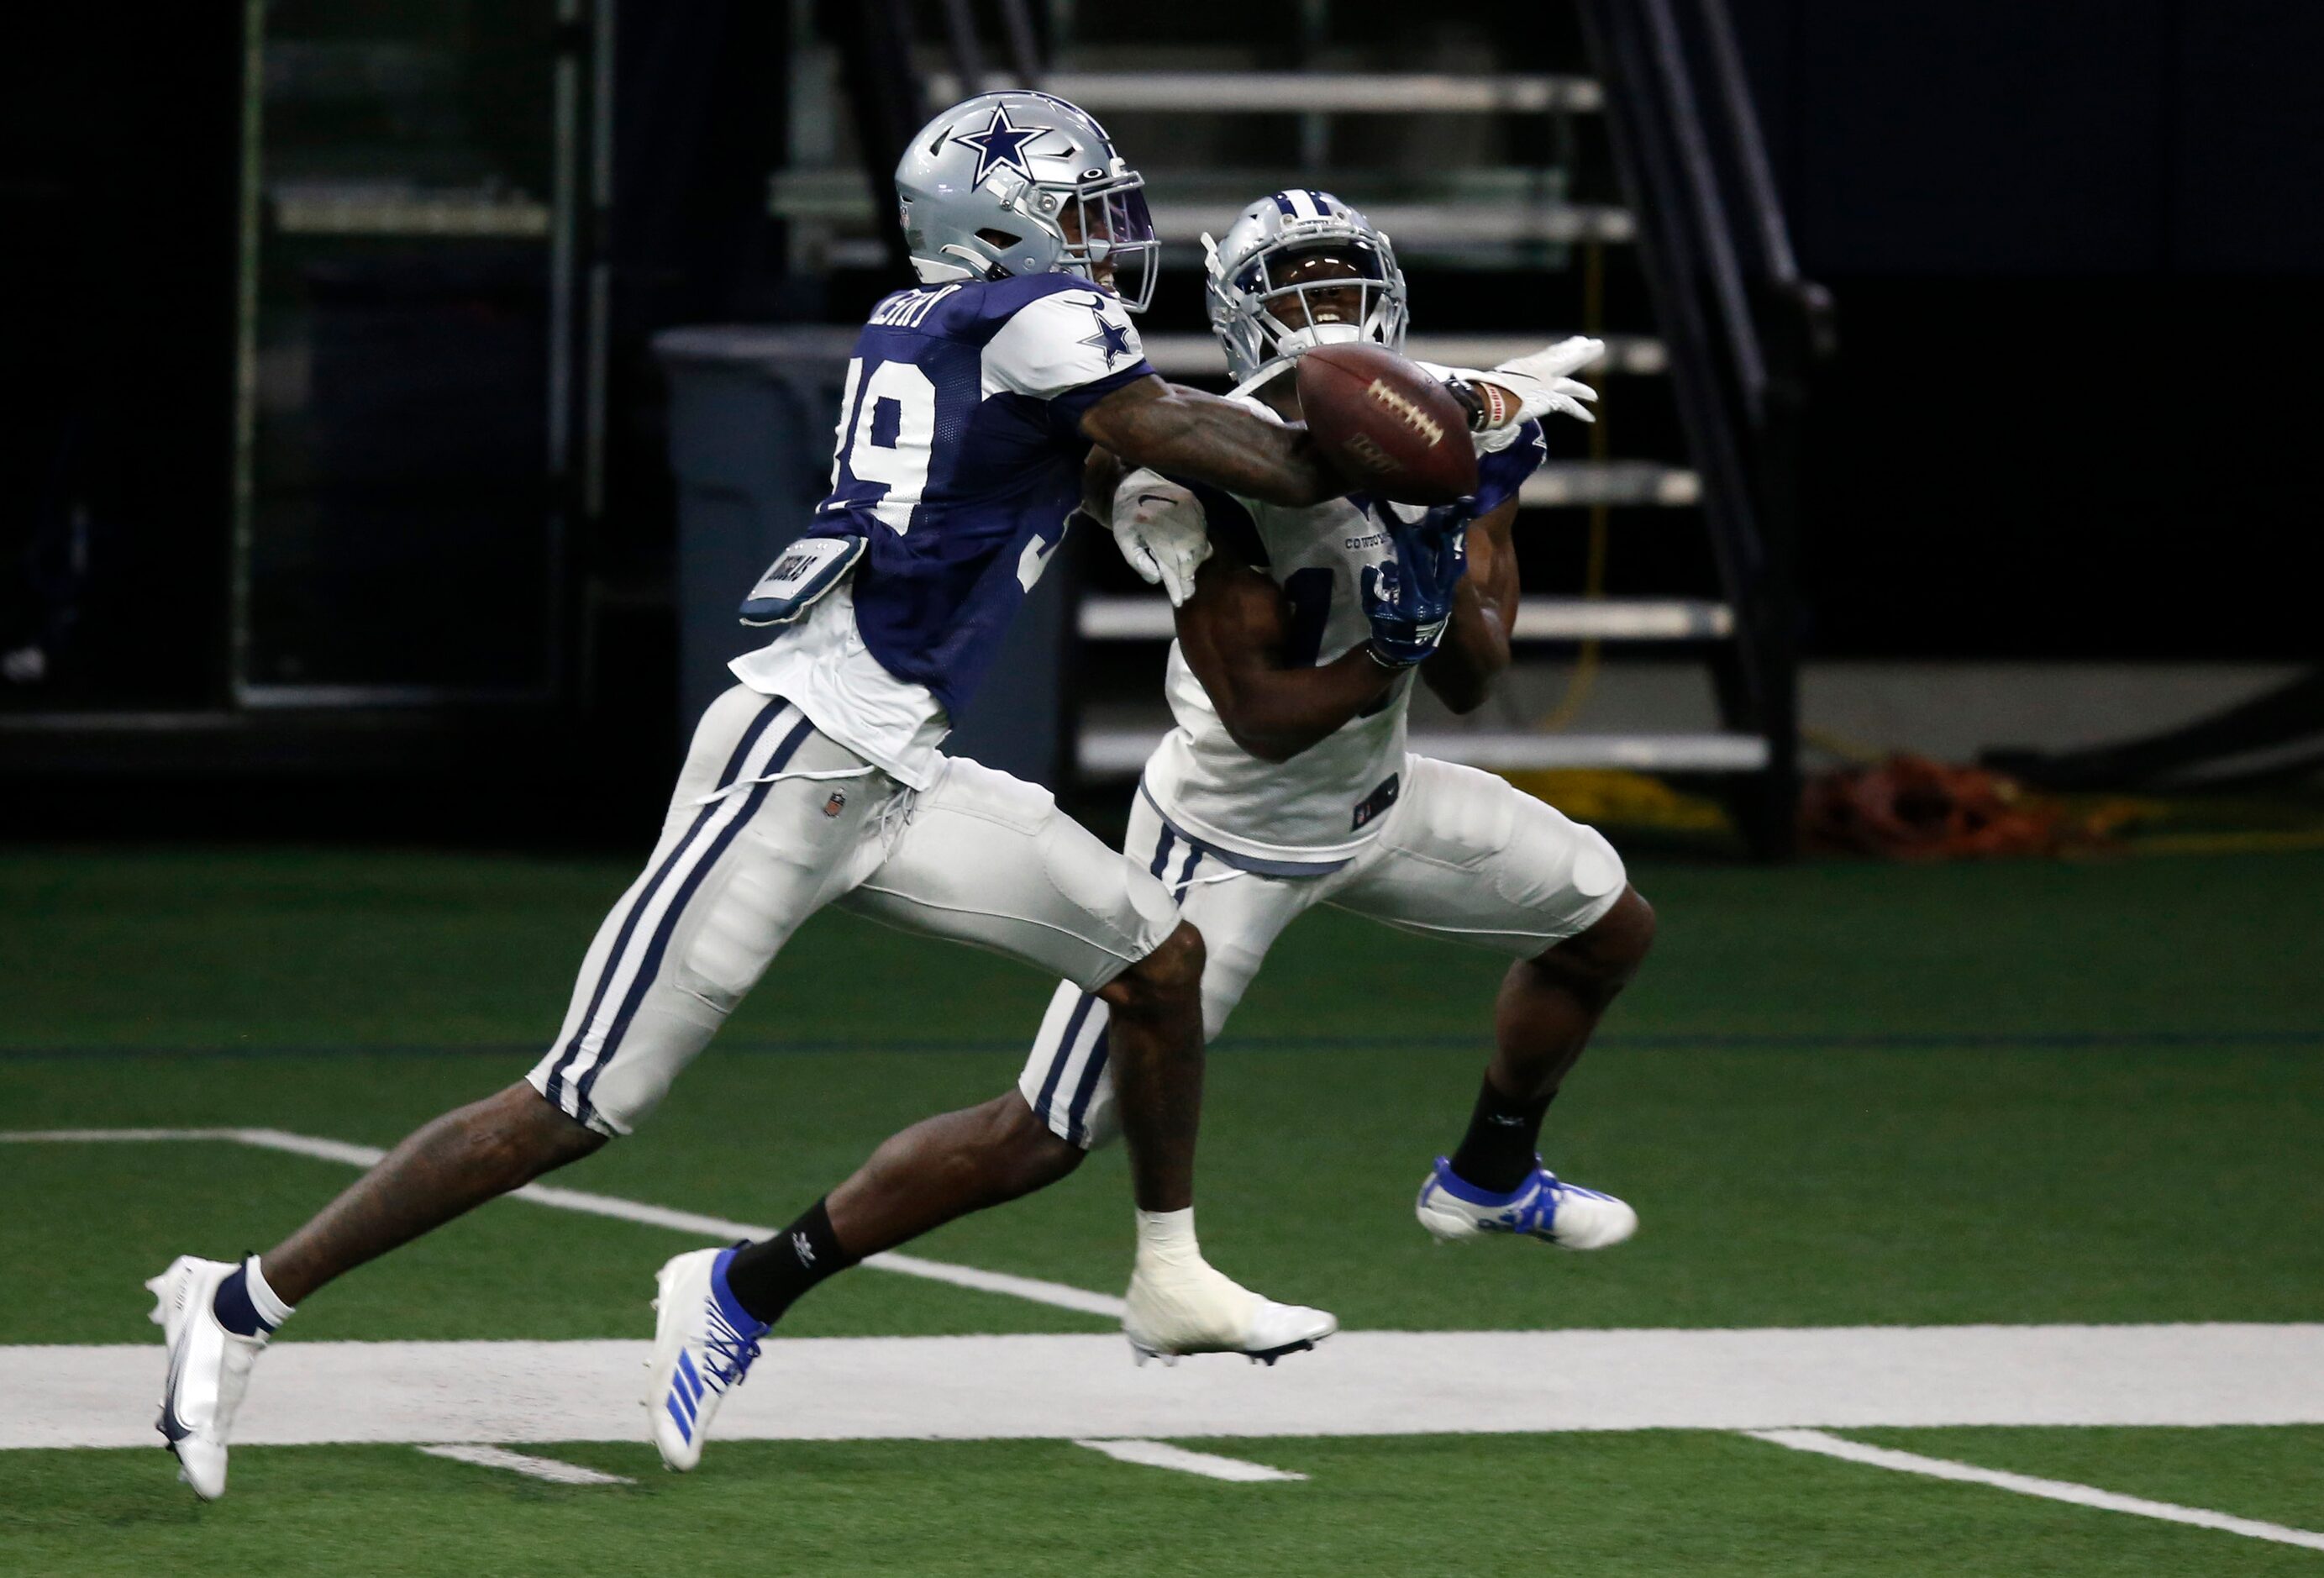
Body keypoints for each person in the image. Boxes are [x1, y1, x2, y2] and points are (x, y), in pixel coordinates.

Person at [145, 103, 1563, 1502]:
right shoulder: (1034, 323)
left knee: (1157, 960)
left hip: (897, 770)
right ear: (1001, 224)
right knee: (575, 1102)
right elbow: (1276, 460)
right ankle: (238, 1300)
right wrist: (1473, 418)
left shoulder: (933, 320)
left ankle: (1170, 1272)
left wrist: (1405, 418)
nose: (1108, 239)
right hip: (794, 762)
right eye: (1082, 211)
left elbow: (1137, 454)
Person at [648, 189, 1654, 1474]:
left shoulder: (1439, 422)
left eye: (1343, 282)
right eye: (1293, 289)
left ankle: (1487, 1173)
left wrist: (1459, 502)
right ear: (1238, 317)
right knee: (1038, 1136)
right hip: (1223, 839)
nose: (1326, 313)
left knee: (1603, 921)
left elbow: (1473, 676)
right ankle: (742, 1285)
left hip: (1380, 802)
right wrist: (1396, 623)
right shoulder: (1185, 467)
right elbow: (1262, 715)